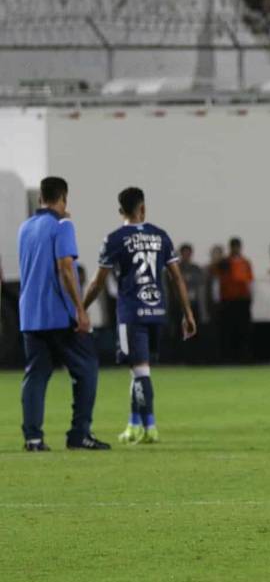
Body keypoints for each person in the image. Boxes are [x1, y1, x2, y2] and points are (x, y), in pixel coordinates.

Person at [80, 187, 198, 444]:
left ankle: (150, 426)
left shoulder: (115, 239)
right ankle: (133, 424)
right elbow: (176, 277)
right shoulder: (161, 236)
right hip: (157, 311)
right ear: (143, 208)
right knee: (139, 371)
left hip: (131, 313)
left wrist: (81, 307)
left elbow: (97, 283)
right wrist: (188, 313)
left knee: (140, 371)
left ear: (121, 210)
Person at [17, 176, 108, 451]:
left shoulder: (25, 227)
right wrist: (80, 310)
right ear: (63, 198)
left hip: (31, 315)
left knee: (35, 375)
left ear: (41, 197)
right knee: (87, 370)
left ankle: (33, 438)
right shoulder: (62, 225)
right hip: (59, 314)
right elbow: (65, 267)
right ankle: (79, 434)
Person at [216, 236, 253, 362]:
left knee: (242, 330)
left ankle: (243, 356)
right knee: (228, 330)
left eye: (237, 246)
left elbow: (248, 281)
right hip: (228, 300)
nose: (236, 249)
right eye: (234, 246)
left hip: (242, 300)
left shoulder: (245, 262)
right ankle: (227, 357)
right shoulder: (224, 262)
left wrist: (249, 297)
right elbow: (218, 278)